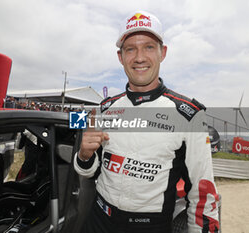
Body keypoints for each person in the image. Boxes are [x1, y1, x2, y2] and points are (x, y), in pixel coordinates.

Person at [73, 10, 220, 233]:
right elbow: (90, 172)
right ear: (120, 57)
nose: (139, 57)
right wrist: (84, 156)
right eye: (130, 49)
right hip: (98, 220)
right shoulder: (105, 108)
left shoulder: (189, 115)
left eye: (149, 47)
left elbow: (203, 195)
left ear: (163, 53)